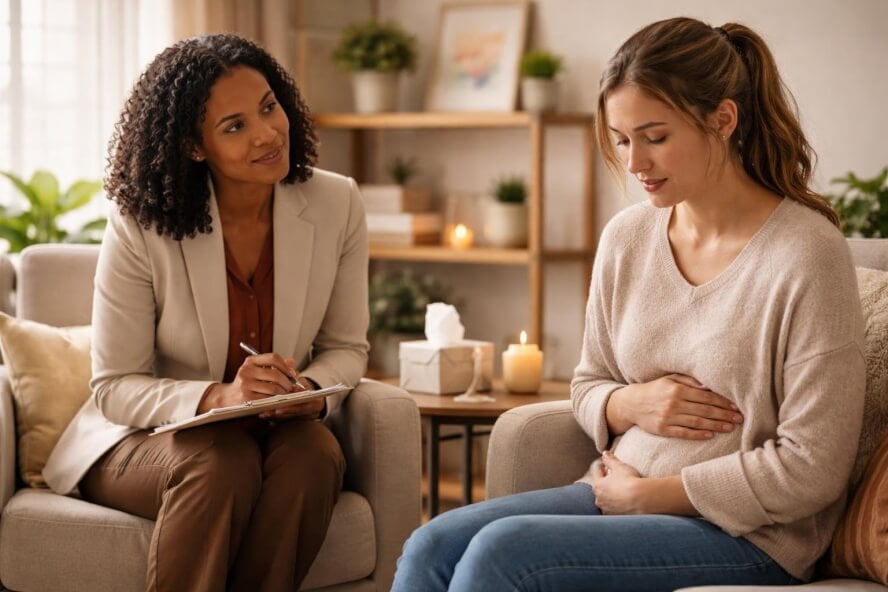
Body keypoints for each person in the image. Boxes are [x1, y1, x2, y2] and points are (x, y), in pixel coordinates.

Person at [392, 17, 865, 592]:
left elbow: (813, 466)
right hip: (617, 489)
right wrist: (629, 403)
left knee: (501, 553)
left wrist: (654, 494)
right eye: (621, 140)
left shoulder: (808, 253)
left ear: (722, 120)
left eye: (655, 136)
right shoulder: (627, 237)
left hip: (748, 534)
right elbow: (588, 381)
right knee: (432, 543)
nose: (635, 162)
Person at [41, 34, 369, 591]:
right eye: (235, 126)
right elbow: (115, 385)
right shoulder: (143, 223)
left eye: (269, 107)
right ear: (195, 146)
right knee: (220, 463)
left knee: (315, 456)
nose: (267, 133)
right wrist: (221, 397)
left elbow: (347, 348)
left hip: (274, 429)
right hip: (146, 438)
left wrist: (306, 389)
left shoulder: (337, 203)